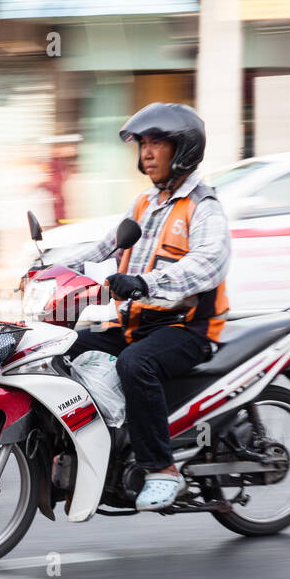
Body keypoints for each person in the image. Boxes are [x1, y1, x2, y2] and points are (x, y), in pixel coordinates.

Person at [59, 102, 231, 511]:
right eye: (143, 145)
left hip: (188, 330)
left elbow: (206, 265)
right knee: (67, 347)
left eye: (156, 143)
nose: (146, 153)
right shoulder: (144, 205)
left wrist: (143, 283)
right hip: (137, 325)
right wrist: (48, 267)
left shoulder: (204, 207)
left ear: (183, 149)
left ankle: (161, 470)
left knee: (135, 364)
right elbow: (102, 247)